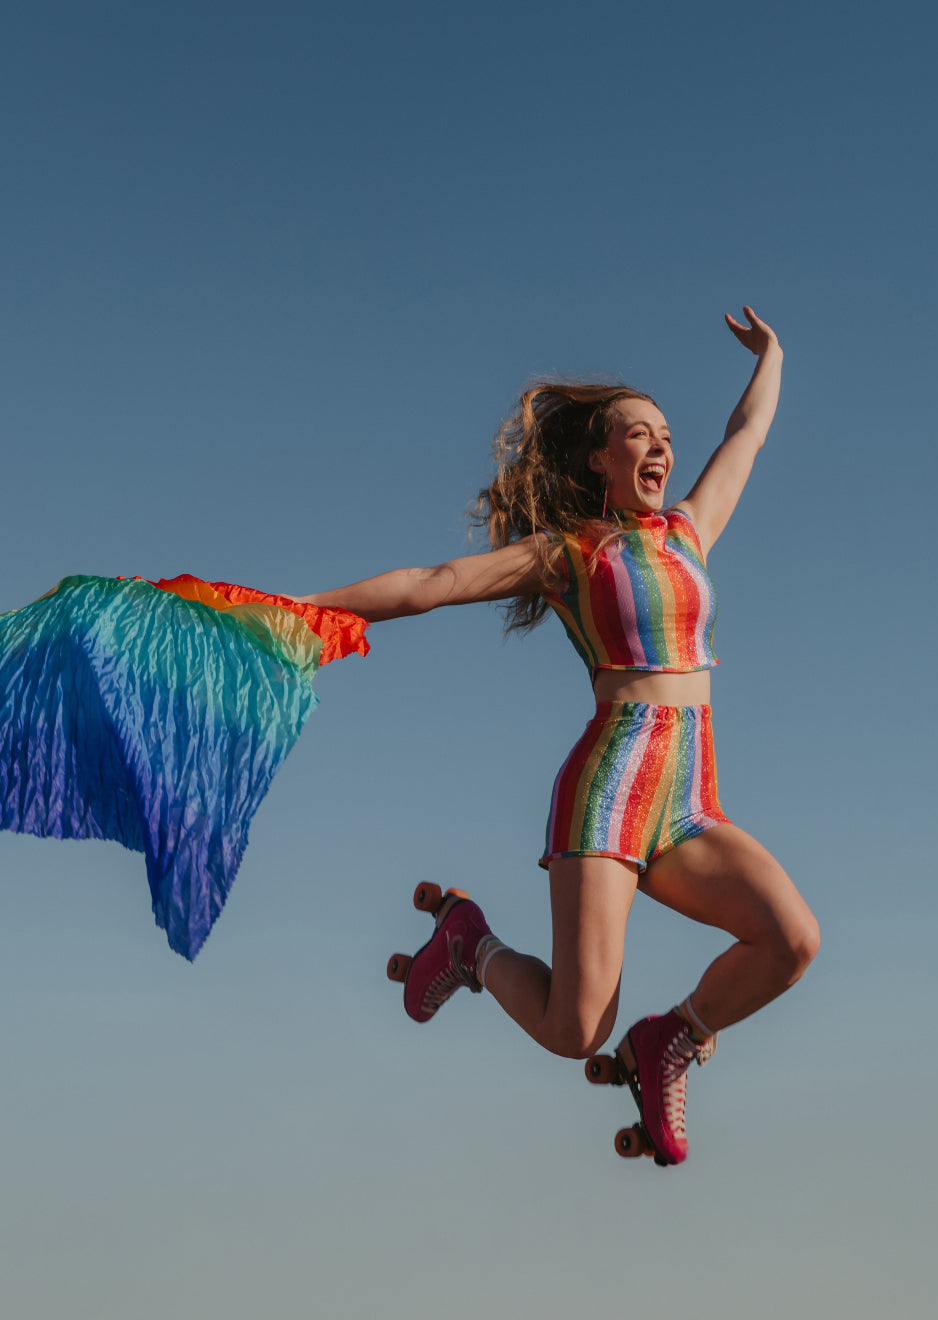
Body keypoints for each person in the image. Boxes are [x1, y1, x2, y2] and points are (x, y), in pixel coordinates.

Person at [298, 306, 819, 1164]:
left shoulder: (690, 532)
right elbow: (435, 581)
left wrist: (774, 355)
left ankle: (673, 1037)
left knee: (791, 941)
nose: (660, 448)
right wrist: (301, 611)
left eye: (666, 436)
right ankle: (470, 944)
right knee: (574, 1029)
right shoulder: (570, 553)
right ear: (599, 458)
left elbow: (748, 433)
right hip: (611, 787)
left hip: (690, 794)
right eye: (638, 434)